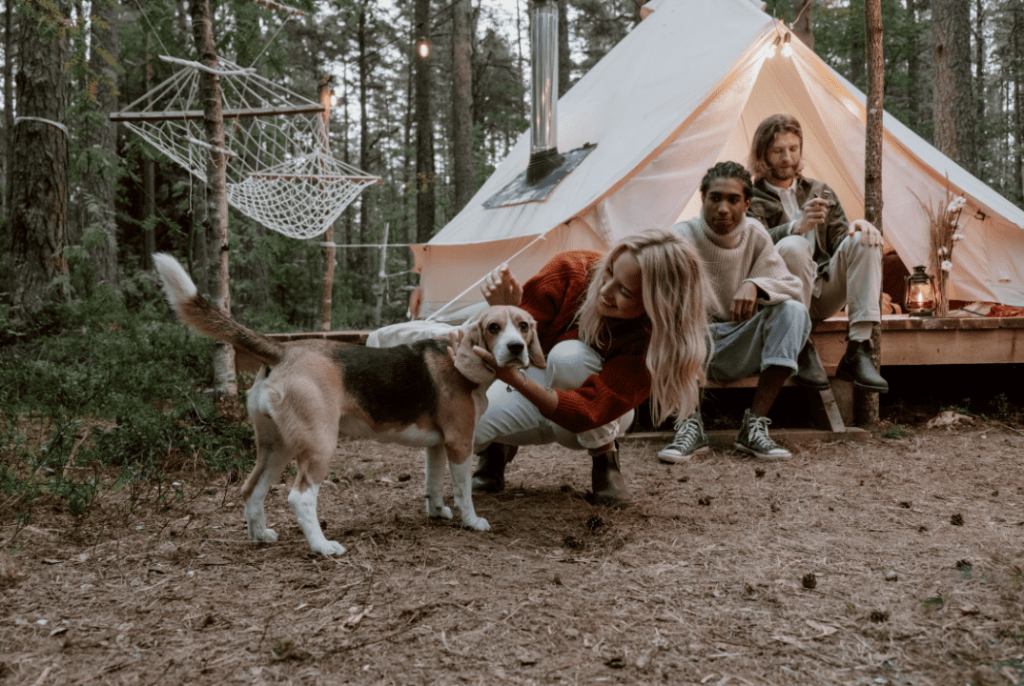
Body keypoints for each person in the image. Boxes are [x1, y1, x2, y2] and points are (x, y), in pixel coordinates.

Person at [469, 228, 709, 507]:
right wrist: (506, 312)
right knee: (468, 426)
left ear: (657, 305)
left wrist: (518, 382)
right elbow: (514, 349)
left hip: (595, 419)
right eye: (608, 272)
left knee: (569, 357)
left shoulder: (651, 341)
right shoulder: (570, 270)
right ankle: (495, 448)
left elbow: (592, 410)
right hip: (539, 384)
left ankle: (604, 459)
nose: (605, 291)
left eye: (625, 291)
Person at [658, 162, 811, 463]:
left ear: (747, 203)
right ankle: (688, 421)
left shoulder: (754, 233)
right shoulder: (681, 236)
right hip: (692, 346)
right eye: (715, 198)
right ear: (703, 200)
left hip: (739, 341)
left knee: (793, 311)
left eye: (733, 199)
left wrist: (756, 284)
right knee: (666, 316)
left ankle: (753, 426)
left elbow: (791, 287)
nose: (723, 209)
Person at [746, 113, 888, 393]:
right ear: (762, 154)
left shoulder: (820, 190)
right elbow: (752, 246)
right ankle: (801, 344)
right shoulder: (750, 196)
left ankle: (859, 349)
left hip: (823, 290)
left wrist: (858, 226)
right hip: (782, 299)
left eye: (793, 149)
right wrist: (795, 227)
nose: (787, 157)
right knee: (794, 246)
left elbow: (840, 241)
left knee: (864, 238)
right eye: (778, 151)